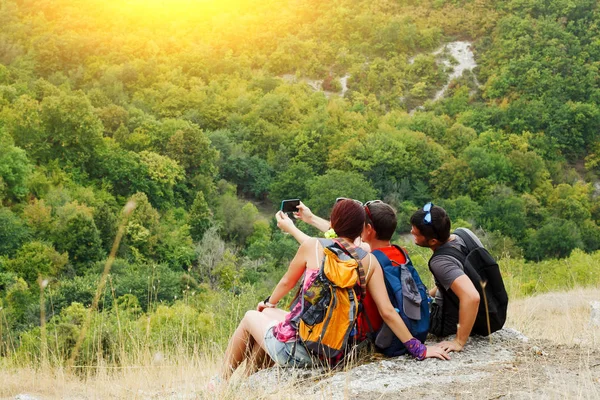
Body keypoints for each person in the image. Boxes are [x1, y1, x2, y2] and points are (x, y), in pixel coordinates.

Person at [220, 200, 449, 381]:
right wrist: (419, 349)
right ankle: (249, 380)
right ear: (362, 228)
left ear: (334, 223)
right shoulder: (369, 262)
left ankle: (220, 380)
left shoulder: (312, 246)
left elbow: (286, 283)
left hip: (301, 348)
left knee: (253, 316)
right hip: (336, 352)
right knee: (270, 318)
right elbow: (388, 311)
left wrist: (268, 302)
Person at [409, 203, 481, 353]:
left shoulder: (440, 262)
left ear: (433, 241)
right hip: (484, 311)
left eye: (416, 234)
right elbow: (456, 277)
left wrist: (459, 342)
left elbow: (472, 297)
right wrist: (429, 294)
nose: (411, 232)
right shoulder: (464, 234)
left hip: (446, 322)